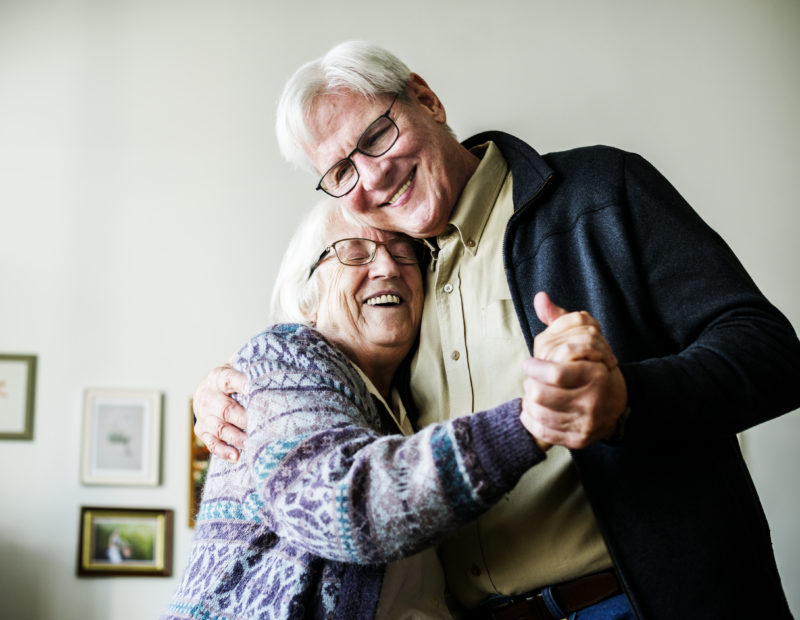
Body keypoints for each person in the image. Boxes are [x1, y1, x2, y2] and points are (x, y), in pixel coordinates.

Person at [193, 42, 800, 619]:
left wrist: (625, 401)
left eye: (376, 138)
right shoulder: (397, 290)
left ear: (426, 99)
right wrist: (233, 385)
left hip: (639, 603)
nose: (372, 179)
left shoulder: (601, 191)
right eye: (342, 172)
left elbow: (771, 352)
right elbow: (332, 424)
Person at [166, 199, 613, 619]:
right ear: (307, 294)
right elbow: (340, 505)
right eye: (354, 252)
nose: (387, 267)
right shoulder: (283, 357)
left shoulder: (403, 402)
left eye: (404, 253)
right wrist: (530, 421)